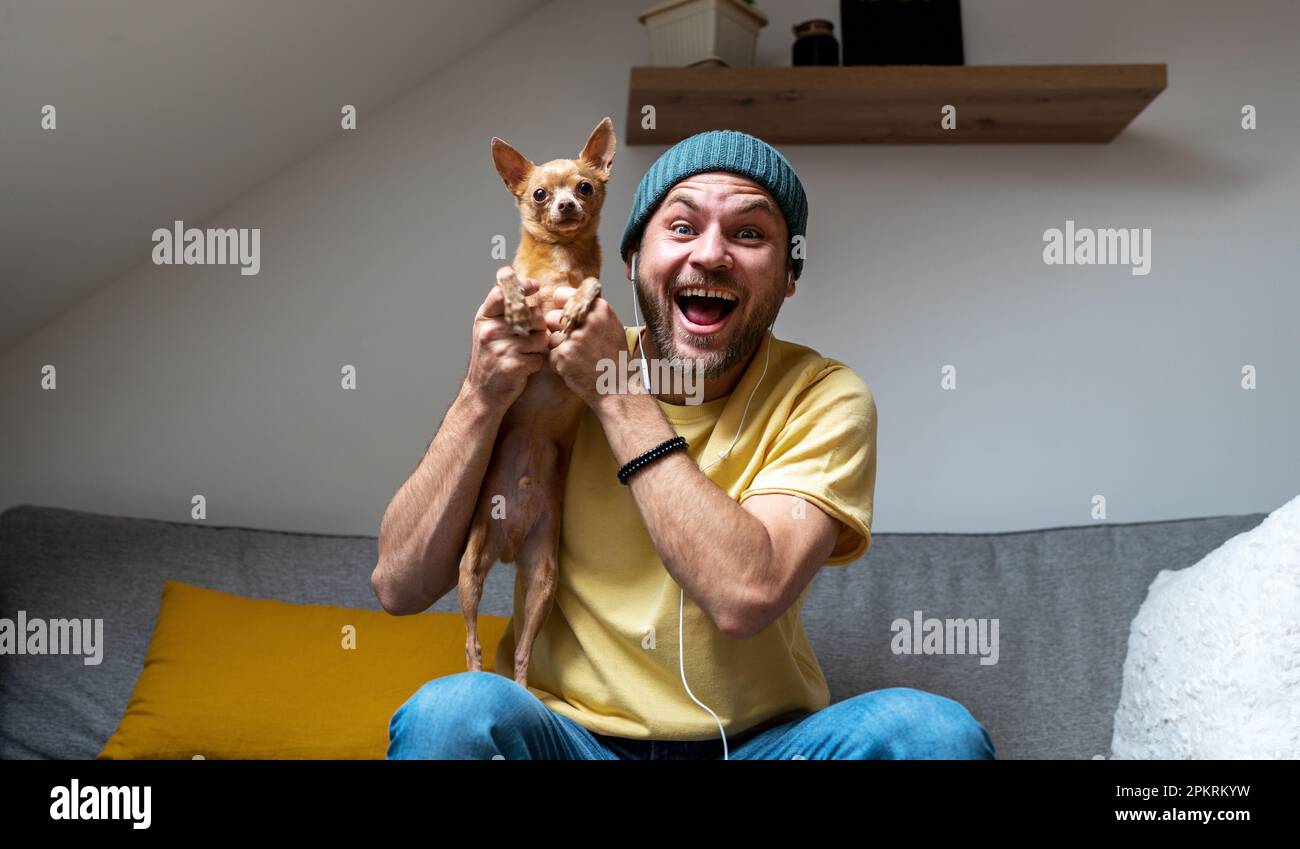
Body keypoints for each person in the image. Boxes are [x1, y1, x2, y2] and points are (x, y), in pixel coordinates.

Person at [375, 129, 995, 760]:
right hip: (567, 742)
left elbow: (745, 597)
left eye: (749, 234)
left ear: (787, 278)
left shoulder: (824, 397)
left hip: (761, 748)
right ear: (630, 261)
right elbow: (399, 587)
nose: (711, 255)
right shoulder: (550, 367)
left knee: (933, 732)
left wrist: (614, 394)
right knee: (452, 711)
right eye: (680, 227)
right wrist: (480, 395)